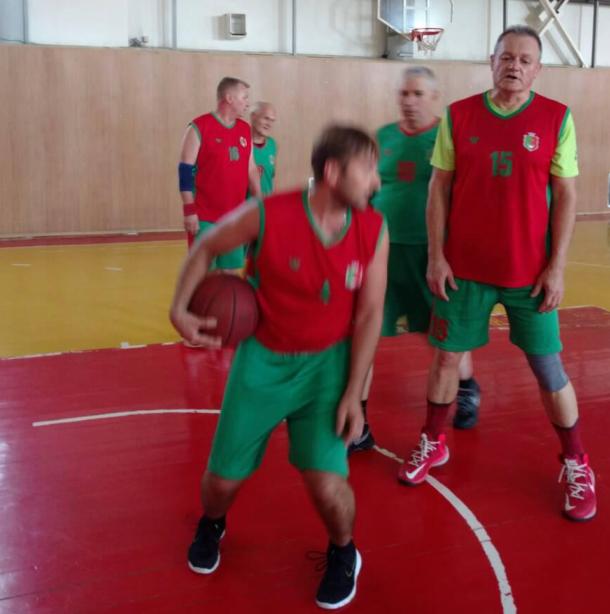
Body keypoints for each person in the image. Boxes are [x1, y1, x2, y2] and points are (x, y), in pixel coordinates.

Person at [170, 125, 388, 608]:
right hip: (263, 362)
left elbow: (370, 313)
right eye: (369, 169)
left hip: (326, 367)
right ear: (333, 172)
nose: (377, 180)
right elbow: (207, 245)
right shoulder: (269, 213)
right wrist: (179, 308)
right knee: (221, 482)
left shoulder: (374, 228)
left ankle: (344, 552)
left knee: (328, 486)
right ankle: (213, 524)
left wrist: (355, 393)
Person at [397, 26, 596, 522]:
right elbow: (438, 188)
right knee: (446, 359)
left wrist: (557, 267)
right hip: (464, 270)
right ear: (491, 61)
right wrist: (436, 256)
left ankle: (576, 462)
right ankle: (433, 441)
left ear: (538, 69)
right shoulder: (459, 116)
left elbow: (566, 195)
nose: (514, 66)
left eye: (525, 60)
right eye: (507, 57)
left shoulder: (556, 118)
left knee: (548, 369)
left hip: (530, 274)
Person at [348, 67, 481, 455]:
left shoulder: (448, 138)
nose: (409, 101)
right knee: (364, 333)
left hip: (431, 257)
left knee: (442, 336)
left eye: (418, 94)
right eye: (404, 93)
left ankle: (467, 387)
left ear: (435, 97)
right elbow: (364, 191)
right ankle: (358, 425)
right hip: (382, 255)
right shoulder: (382, 138)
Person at [178, 76, 262, 269]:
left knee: (229, 277)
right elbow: (184, 171)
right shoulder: (199, 127)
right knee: (204, 275)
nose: (248, 103)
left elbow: (251, 169)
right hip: (204, 218)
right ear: (229, 98)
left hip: (235, 219)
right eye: (244, 97)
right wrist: (189, 210)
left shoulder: (244, 129)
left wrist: (260, 203)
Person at [250, 101, 278, 196]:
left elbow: (271, 177)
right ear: (253, 116)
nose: (269, 124)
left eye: (272, 121)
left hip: (267, 203)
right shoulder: (241, 143)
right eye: (266, 118)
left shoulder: (272, 144)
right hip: (246, 204)